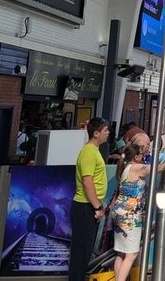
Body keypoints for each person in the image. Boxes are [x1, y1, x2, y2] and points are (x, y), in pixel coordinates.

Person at [69, 118, 110, 281]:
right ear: (96, 133)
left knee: (85, 251)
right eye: (105, 130)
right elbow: (87, 182)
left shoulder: (93, 151)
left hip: (88, 207)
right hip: (85, 207)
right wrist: (98, 207)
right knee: (81, 252)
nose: (108, 133)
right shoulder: (88, 152)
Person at [110, 143, 150, 281]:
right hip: (130, 216)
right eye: (141, 154)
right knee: (131, 254)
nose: (144, 155)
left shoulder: (125, 167)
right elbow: (157, 168)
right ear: (136, 157)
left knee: (121, 253)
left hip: (119, 213)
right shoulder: (136, 167)